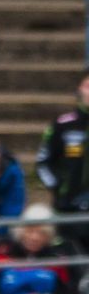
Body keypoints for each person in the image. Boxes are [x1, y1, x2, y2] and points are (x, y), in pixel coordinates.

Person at [36, 70, 89, 210]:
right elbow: (43, 162)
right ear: (79, 89)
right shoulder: (62, 125)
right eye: (88, 86)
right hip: (67, 206)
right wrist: (57, 187)